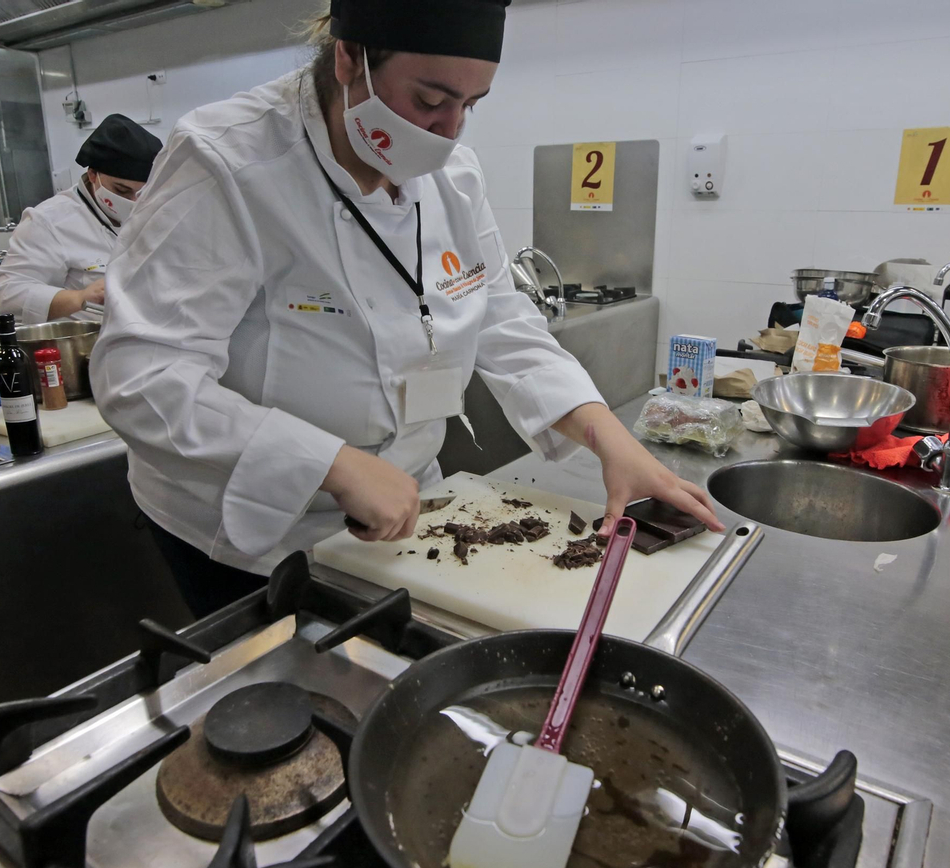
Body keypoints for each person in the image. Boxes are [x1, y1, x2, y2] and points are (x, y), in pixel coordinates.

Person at [94, 0, 722, 616]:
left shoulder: (455, 176)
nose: (449, 131)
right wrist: (331, 464)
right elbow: (141, 376)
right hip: (251, 529)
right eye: (428, 100)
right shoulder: (226, 160)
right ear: (349, 58)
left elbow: (502, 322)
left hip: (407, 507)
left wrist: (609, 439)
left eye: (469, 106)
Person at [0, 113, 162, 324]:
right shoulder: (49, 221)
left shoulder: (157, 210)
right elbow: (8, 295)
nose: (133, 201)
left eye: (143, 193)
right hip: (86, 347)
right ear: (93, 175)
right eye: (121, 190)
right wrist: (81, 297)